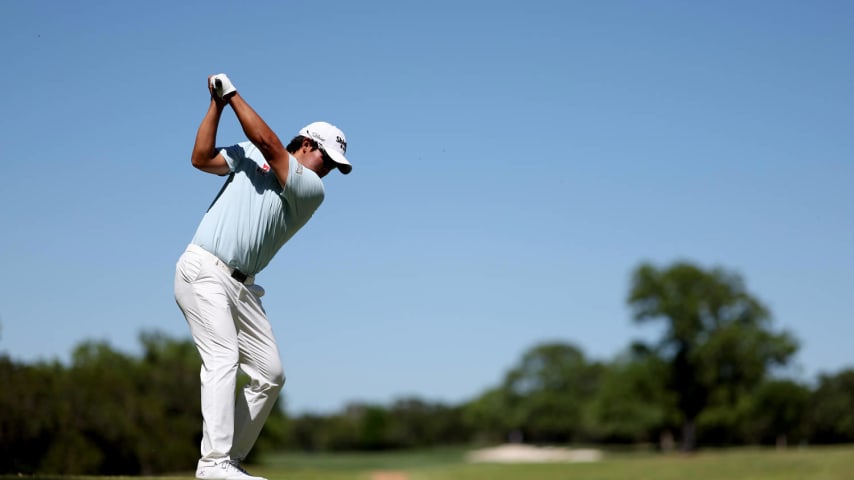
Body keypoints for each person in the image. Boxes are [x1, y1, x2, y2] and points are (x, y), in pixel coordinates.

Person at [174, 73, 351, 480]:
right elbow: (201, 158)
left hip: (243, 287)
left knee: (270, 374)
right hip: (203, 268)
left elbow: (272, 145)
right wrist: (216, 105)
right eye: (327, 160)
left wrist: (231, 93)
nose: (328, 172)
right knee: (223, 358)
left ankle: (227, 461)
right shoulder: (251, 153)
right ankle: (214, 464)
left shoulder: (310, 191)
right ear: (307, 145)